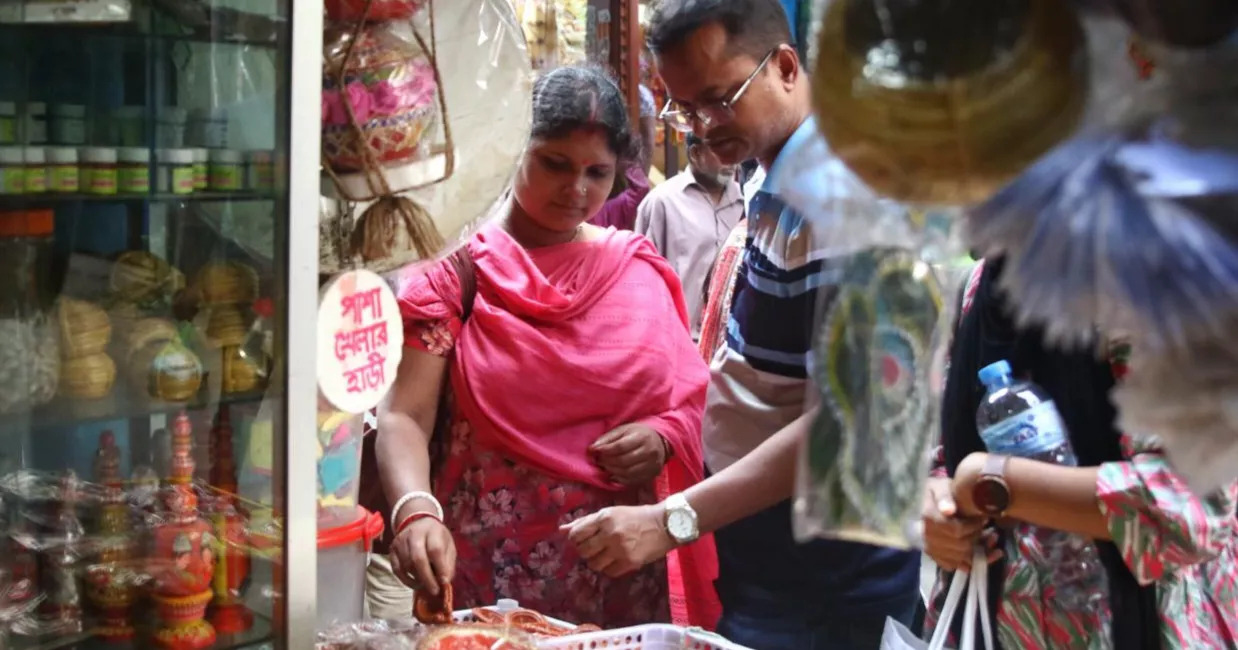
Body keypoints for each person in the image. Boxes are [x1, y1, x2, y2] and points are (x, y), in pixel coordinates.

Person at [565, 1, 920, 647]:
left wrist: (674, 519)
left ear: (785, 66)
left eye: (719, 99)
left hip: (832, 572)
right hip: (774, 548)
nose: (701, 127)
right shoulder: (772, 176)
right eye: (684, 108)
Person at [371, 65, 720, 629]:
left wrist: (661, 438)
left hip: (620, 570)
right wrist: (415, 510)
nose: (577, 190)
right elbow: (405, 415)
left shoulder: (635, 269)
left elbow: (688, 397)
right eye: (555, 164)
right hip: (483, 569)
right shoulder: (457, 273)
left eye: (597, 172)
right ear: (516, 149)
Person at [921, 258, 1238, 649]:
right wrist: (937, 510)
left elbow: (1191, 507)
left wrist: (996, 483)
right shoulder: (974, 292)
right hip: (989, 625)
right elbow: (946, 456)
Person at [635, 133, 743, 341]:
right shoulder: (662, 203)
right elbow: (641, 280)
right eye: (721, 148)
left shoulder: (745, 202)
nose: (732, 159)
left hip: (727, 345)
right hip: (678, 341)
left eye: (735, 149)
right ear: (695, 153)